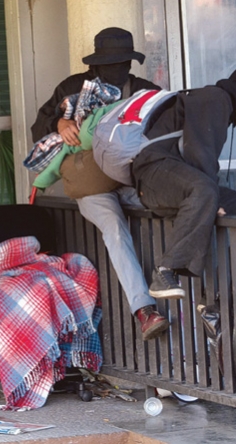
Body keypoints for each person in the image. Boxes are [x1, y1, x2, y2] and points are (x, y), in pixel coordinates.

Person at [31, 27, 168, 341]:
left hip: (135, 179)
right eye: (109, 64)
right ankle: (144, 310)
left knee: (171, 210)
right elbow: (38, 127)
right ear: (94, 65)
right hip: (92, 183)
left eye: (123, 63)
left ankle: (186, 294)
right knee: (114, 229)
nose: (117, 70)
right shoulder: (70, 89)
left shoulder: (145, 92)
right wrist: (58, 123)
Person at [131, 57, 236, 297]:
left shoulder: (217, 104)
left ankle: (228, 292)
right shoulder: (215, 99)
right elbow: (198, 151)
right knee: (205, 190)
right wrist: (214, 199)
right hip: (154, 174)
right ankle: (164, 271)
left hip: (183, 183)